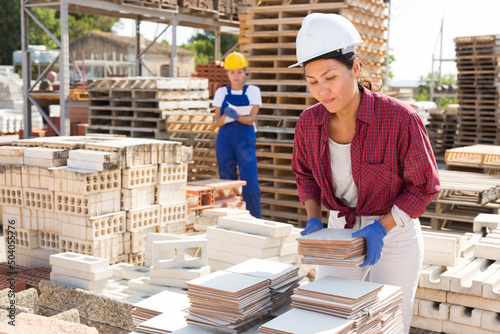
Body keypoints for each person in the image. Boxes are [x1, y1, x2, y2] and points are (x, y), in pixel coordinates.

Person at [290, 13, 440, 334]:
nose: (322, 91)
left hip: (394, 232)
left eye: (330, 77)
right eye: (313, 81)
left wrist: (381, 229)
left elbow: (424, 186)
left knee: (390, 321)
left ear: (355, 68)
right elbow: (305, 175)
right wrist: (314, 218)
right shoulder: (308, 123)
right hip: (338, 229)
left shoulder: (400, 119)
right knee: (327, 318)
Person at [213, 52, 262, 218]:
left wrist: (237, 116)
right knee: (227, 183)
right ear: (227, 73)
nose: (236, 75)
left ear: (245, 72)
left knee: (250, 185)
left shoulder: (253, 91)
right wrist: (227, 116)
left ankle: (255, 219)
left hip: (245, 141)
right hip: (225, 140)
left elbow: (251, 119)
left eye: (239, 72)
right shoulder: (220, 92)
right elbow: (217, 122)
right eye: (232, 72)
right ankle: (230, 219)